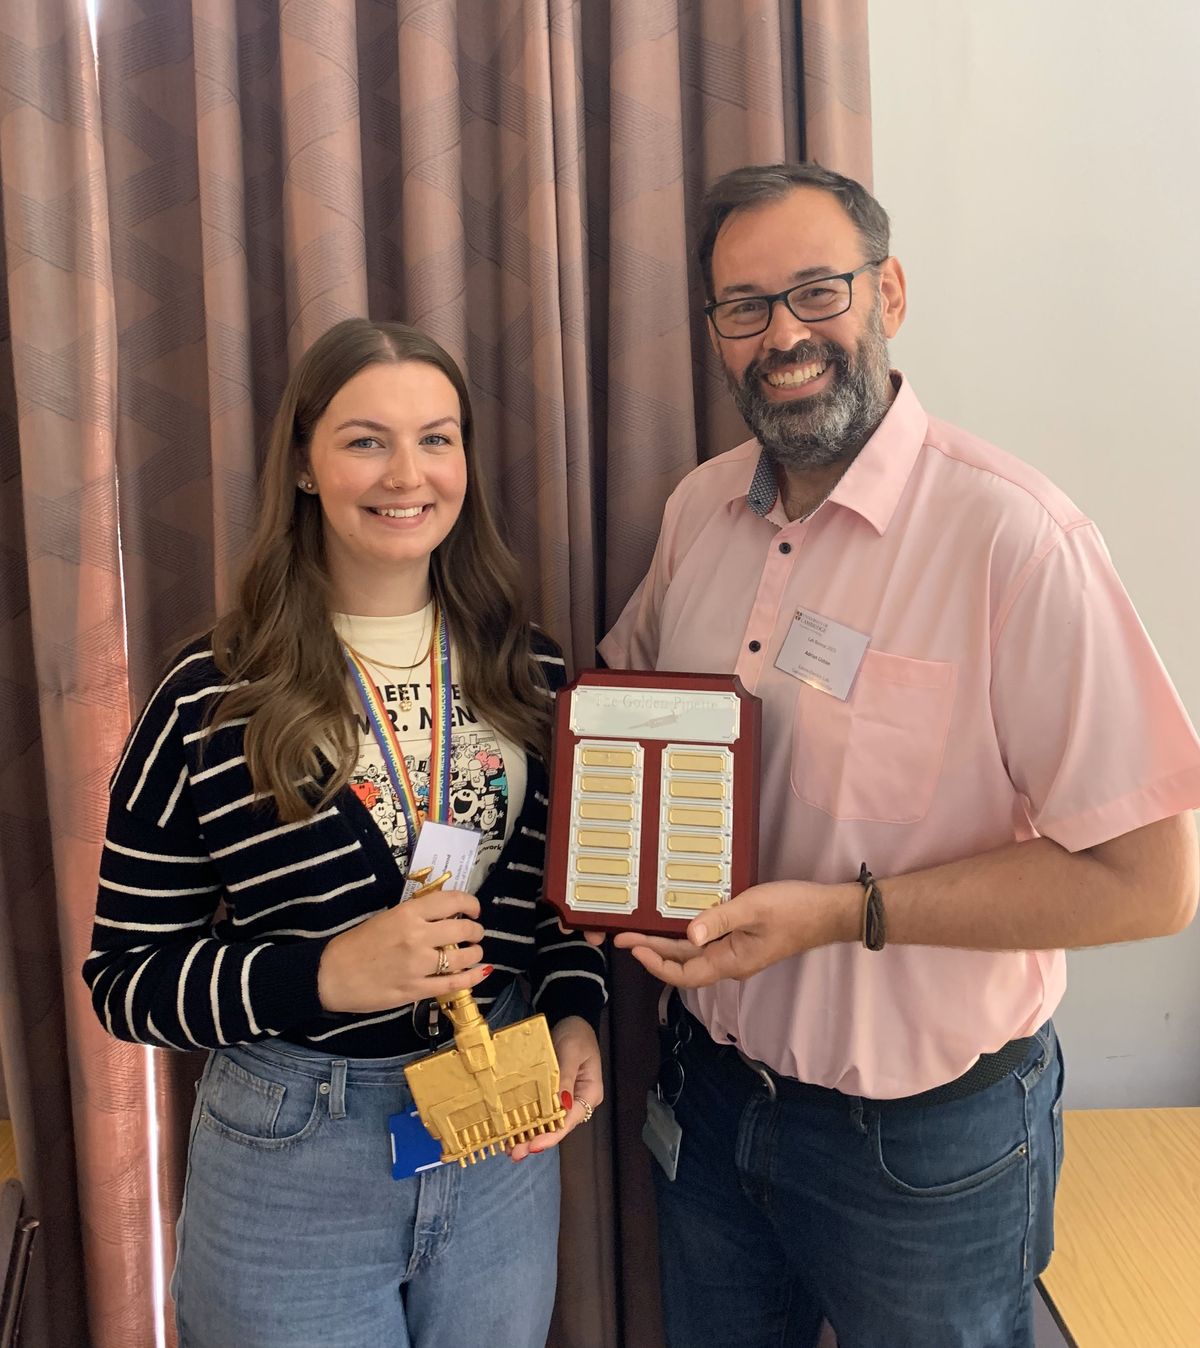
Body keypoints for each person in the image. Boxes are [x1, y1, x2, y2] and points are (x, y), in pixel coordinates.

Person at [600, 162, 1200, 1348]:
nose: (784, 335)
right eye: (744, 306)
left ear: (891, 292)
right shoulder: (696, 511)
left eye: (818, 291)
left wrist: (841, 914)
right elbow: (627, 703)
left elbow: (1152, 883)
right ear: (716, 333)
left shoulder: (1018, 542)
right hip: (713, 1106)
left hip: (929, 1152)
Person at [84, 318, 607, 1348]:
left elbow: (558, 910)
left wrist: (578, 1016)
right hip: (291, 1158)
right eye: (366, 439)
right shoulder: (210, 696)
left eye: (437, 438)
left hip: (498, 1133)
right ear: (305, 466)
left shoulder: (531, 672)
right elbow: (125, 979)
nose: (407, 472)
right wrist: (320, 974)